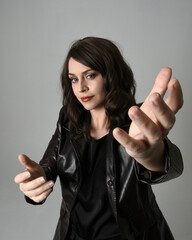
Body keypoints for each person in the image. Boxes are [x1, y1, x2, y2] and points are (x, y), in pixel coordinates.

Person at [14, 37, 183, 240]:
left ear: (111, 75)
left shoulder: (138, 123)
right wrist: (35, 180)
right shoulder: (67, 119)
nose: (81, 87)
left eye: (90, 75)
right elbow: (48, 166)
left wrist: (153, 156)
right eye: (74, 79)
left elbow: (172, 166)